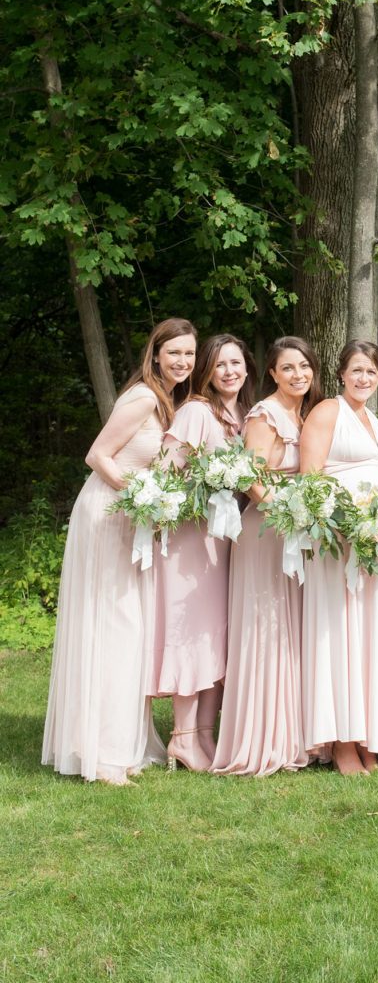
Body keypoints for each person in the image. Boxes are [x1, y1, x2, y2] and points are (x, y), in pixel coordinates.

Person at [42, 318, 197, 784]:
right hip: (109, 514)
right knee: (115, 624)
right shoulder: (143, 397)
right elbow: (97, 455)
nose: (182, 362)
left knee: (131, 627)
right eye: (175, 353)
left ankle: (119, 742)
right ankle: (103, 754)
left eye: (189, 355)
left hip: (133, 516)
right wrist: (139, 493)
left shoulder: (169, 402)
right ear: (155, 355)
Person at [212, 336, 323, 776]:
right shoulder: (265, 414)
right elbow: (251, 478)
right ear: (273, 374)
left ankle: (295, 734)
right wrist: (288, 511)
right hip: (267, 530)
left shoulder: (305, 414)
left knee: (292, 629)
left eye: (304, 366)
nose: (298, 374)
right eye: (288, 368)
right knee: (266, 629)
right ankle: (263, 740)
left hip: (295, 533)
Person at [150, 333, 254, 771]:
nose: (229, 371)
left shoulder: (247, 416)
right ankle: (183, 736)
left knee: (218, 635)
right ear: (207, 371)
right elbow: (164, 470)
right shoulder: (195, 411)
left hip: (226, 541)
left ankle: (204, 736)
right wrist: (199, 491)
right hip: (193, 542)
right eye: (220, 364)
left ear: (248, 367)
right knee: (192, 631)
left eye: (236, 362)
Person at [299, 340, 378, 776]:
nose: (364, 378)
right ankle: (340, 741)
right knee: (340, 634)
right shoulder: (328, 411)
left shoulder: (376, 423)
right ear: (342, 374)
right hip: (339, 542)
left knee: (369, 638)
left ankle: (367, 739)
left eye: (372, 372)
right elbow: (310, 477)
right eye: (357, 370)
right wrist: (345, 520)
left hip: (376, 544)